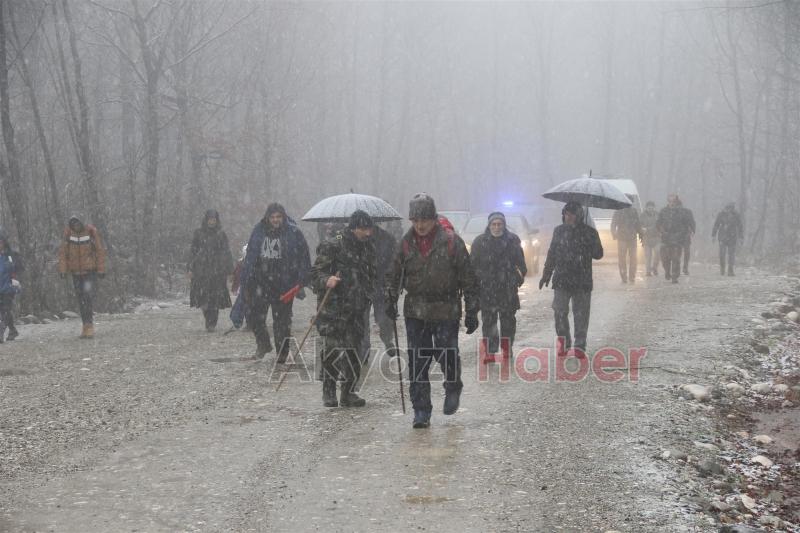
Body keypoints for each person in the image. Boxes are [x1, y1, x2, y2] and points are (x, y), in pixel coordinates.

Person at [385, 193, 479, 429]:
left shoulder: (451, 241)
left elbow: (468, 278)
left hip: (446, 308)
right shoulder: (405, 244)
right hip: (416, 310)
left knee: (447, 353)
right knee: (417, 362)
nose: (420, 225)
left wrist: (472, 310)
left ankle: (453, 385)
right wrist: (390, 298)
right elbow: (394, 275)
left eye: (424, 219)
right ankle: (421, 410)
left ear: (434, 219)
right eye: (415, 220)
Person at [312, 210, 377, 407]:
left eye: (369, 229)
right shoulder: (333, 244)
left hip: (357, 308)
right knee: (332, 350)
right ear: (353, 228)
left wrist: (370, 293)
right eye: (363, 229)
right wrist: (326, 280)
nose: (367, 233)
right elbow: (315, 273)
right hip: (334, 308)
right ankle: (329, 391)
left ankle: (348, 392)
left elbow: (372, 274)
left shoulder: (368, 248)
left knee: (354, 350)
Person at [239, 203, 311, 361]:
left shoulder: (293, 232)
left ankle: (282, 353)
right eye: (272, 217)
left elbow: (303, 255)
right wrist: (245, 279)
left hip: (284, 284)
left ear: (283, 217)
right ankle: (263, 344)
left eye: (278, 217)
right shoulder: (259, 231)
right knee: (254, 317)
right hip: (260, 282)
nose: (275, 220)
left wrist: (302, 277)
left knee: (282, 322)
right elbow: (250, 255)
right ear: (267, 218)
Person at [539, 202, 603, 357]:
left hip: (582, 280)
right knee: (559, 312)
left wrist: (589, 241)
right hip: (562, 279)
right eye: (566, 214)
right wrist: (546, 275)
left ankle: (580, 345)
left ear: (579, 215)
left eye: (572, 214)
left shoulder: (589, 232)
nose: (569, 217)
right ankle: (564, 342)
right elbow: (552, 253)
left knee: (581, 314)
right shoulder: (559, 231)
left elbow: (599, 254)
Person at [469, 212, 526, 358]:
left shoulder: (512, 241)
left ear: (504, 225)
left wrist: (517, 279)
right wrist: (477, 281)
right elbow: (472, 265)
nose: (496, 227)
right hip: (487, 288)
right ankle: (490, 350)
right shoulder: (479, 242)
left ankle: (507, 347)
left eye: (499, 224)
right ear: (489, 225)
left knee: (508, 321)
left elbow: (521, 264)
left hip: (508, 288)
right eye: (493, 224)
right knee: (488, 322)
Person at [58, 216, 107, 339]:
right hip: (76, 273)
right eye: (73, 224)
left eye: (78, 223)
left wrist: (101, 269)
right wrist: (63, 270)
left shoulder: (91, 232)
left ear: (82, 222)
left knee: (87, 297)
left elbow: (99, 250)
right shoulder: (68, 234)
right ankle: (85, 325)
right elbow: (63, 252)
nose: (76, 226)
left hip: (89, 272)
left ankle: (89, 325)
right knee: (81, 299)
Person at [187, 209, 233, 332]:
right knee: (202, 297)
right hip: (201, 270)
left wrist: (229, 270)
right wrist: (190, 268)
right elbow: (193, 251)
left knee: (215, 298)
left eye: (214, 219)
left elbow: (227, 252)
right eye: (210, 219)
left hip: (217, 271)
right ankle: (208, 318)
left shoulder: (221, 234)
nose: (212, 221)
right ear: (206, 219)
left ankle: (212, 322)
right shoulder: (198, 233)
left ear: (216, 220)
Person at [361, 223, 398, 363]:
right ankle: (363, 350)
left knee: (384, 318)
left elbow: (395, 261)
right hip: (362, 286)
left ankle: (387, 339)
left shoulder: (387, 238)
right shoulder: (356, 239)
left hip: (381, 285)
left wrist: (388, 277)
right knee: (362, 319)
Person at [656, 195, 693, 284]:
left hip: (677, 238)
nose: (672, 203)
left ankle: (675, 276)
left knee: (676, 258)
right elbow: (658, 223)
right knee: (665, 259)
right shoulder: (663, 211)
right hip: (665, 238)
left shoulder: (681, 212)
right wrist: (661, 231)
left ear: (676, 202)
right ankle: (667, 271)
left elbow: (686, 224)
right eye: (670, 201)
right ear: (668, 202)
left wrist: (684, 233)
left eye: (673, 202)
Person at [610, 197, 642, 284]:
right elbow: (613, 224)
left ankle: (631, 276)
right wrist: (614, 233)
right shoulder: (618, 211)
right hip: (622, 238)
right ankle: (624, 276)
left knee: (632, 258)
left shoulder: (633, 211)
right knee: (623, 259)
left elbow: (638, 224)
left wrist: (641, 235)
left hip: (631, 238)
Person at [0, 228, 23, 342]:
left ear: (4, 242)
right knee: (3, 311)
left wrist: (15, 279)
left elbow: (19, 269)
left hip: (9, 287)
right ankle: (13, 330)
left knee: (5, 309)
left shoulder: (11, 255)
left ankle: (1, 331)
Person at [712, 202, 744, 276]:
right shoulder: (721, 214)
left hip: (732, 237)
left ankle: (730, 270)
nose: (729, 210)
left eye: (731, 208)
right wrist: (713, 235)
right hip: (722, 237)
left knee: (731, 254)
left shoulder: (736, 215)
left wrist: (741, 237)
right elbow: (716, 224)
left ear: (733, 208)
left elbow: (740, 226)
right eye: (728, 208)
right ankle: (722, 269)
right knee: (722, 254)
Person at [640, 201, 660, 276]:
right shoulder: (642, 216)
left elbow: (659, 225)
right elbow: (639, 225)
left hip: (656, 238)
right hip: (646, 238)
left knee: (657, 253)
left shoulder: (658, 215)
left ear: (654, 208)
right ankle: (648, 271)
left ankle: (654, 267)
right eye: (649, 207)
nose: (650, 208)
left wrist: (648, 229)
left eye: (652, 207)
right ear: (646, 208)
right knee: (648, 256)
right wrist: (642, 229)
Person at [678, 198, 696, 275]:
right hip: (676, 235)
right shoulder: (672, 213)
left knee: (686, 252)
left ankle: (685, 267)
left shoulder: (687, 212)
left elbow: (692, 222)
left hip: (685, 234)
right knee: (677, 252)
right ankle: (677, 267)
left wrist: (692, 230)